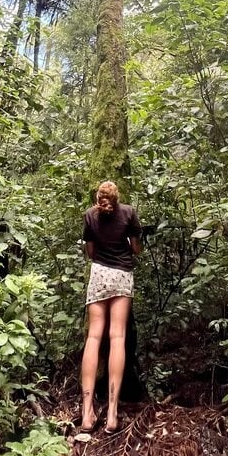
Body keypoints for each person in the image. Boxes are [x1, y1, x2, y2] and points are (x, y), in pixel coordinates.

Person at [80, 180, 141, 434]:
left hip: (99, 276)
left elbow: (91, 252)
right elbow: (136, 250)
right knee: (117, 337)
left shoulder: (89, 216)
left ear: (98, 198)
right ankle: (113, 412)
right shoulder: (128, 213)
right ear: (117, 199)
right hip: (122, 275)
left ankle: (87, 413)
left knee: (94, 337)